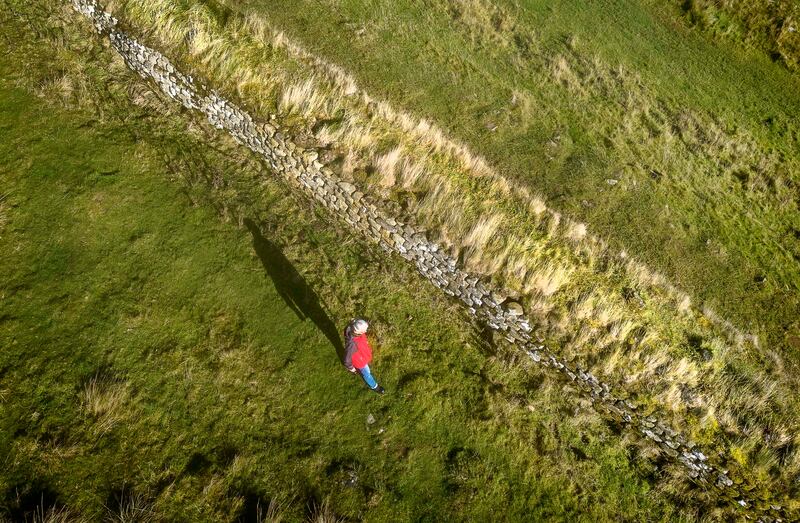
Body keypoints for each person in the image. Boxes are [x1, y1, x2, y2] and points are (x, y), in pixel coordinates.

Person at [343, 318, 385, 394]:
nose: (365, 331)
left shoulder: (350, 328)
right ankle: (375, 386)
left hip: (362, 353)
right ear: (356, 331)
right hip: (359, 361)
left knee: (367, 370)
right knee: (366, 373)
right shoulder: (352, 345)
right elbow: (346, 359)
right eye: (364, 331)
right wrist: (351, 368)